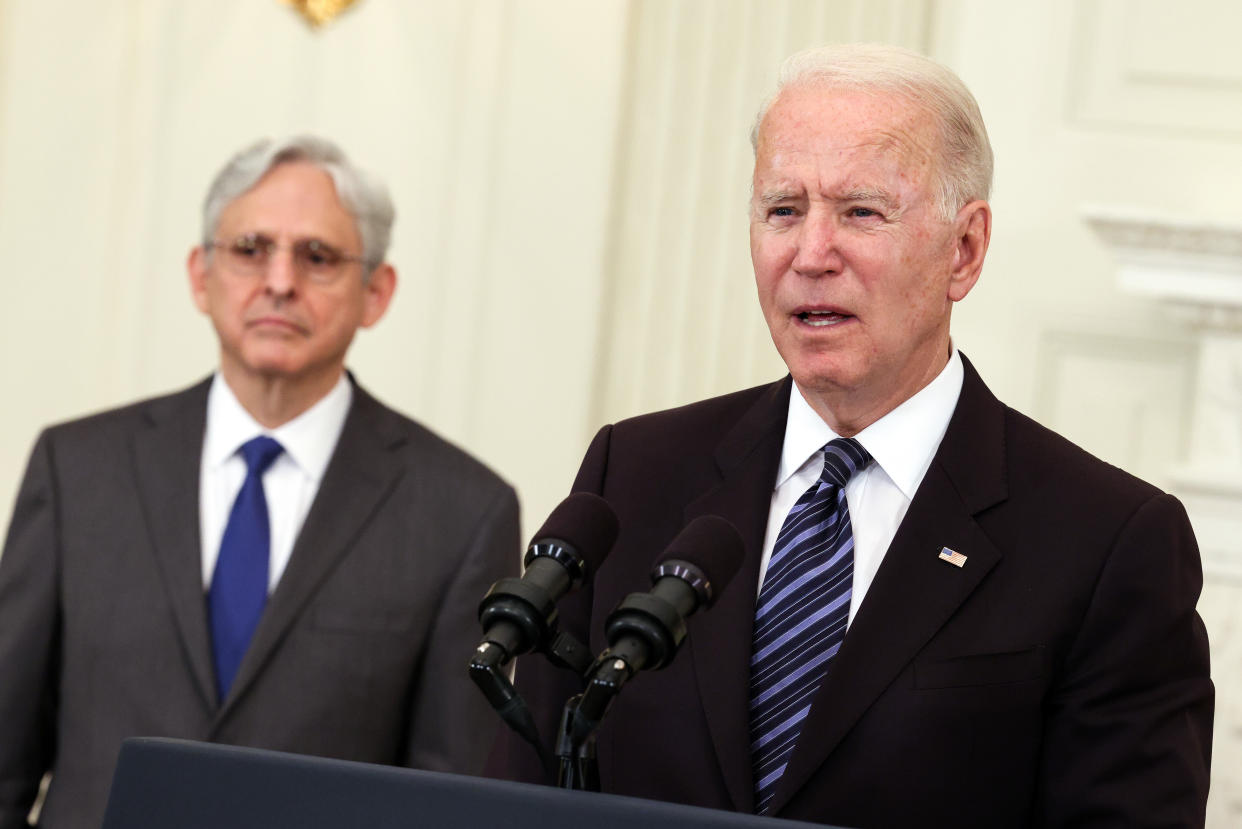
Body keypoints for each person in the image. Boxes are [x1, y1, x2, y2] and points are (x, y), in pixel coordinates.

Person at [495, 44, 1213, 827]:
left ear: (964, 251)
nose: (810, 254)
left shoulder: (1107, 540)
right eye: (783, 210)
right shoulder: (632, 475)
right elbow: (520, 785)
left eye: (861, 212)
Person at [0, 135, 519, 829]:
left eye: (317, 256)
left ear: (376, 292)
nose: (279, 280)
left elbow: (449, 802)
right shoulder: (78, 468)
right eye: (250, 248)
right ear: (199, 275)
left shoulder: (461, 512)